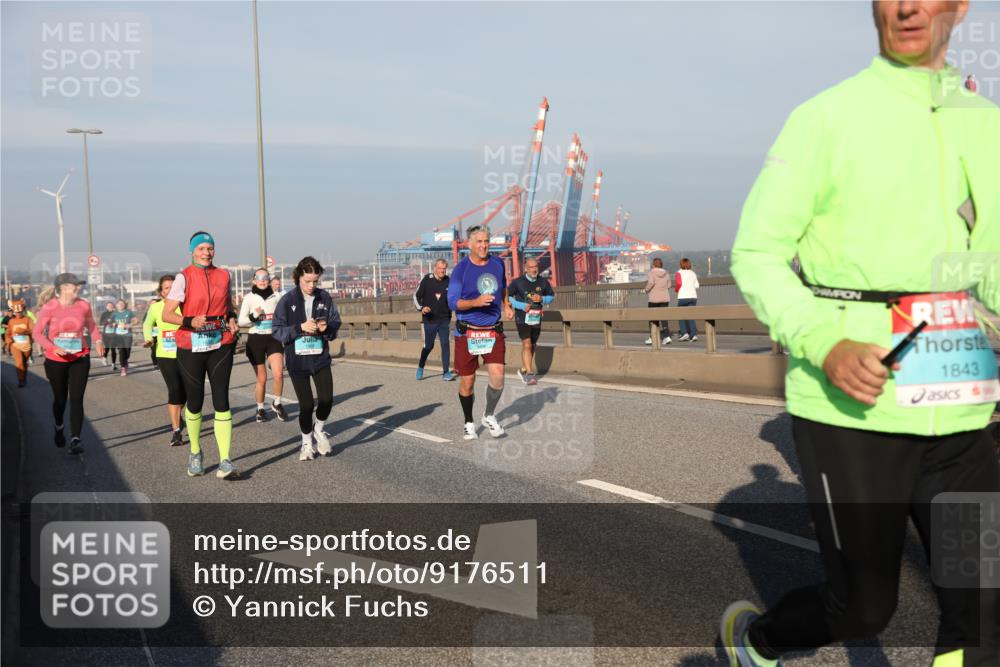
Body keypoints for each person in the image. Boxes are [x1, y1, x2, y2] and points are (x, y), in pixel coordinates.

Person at [723, 2, 1000, 666]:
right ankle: (758, 638)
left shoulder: (984, 123)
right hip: (853, 409)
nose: (906, 7)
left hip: (961, 410)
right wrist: (823, 340)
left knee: (982, 611)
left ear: (958, 8)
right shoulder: (825, 118)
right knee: (866, 607)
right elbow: (755, 252)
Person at [161, 231, 241, 479]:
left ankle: (225, 460)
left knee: (222, 400)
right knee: (194, 402)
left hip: (220, 342)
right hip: (191, 344)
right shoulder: (183, 277)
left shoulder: (223, 275)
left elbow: (227, 305)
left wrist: (232, 319)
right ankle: (195, 452)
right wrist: (188, 320)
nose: (206, 252)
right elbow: (167, 314)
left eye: (210, 248)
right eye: (202, 248)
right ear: (192, 251)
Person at [448, 225, 514, 440]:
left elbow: (503, 287)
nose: (484, 245)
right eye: (480, 242)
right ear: (469, 244)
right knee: (468, 382)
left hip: (492, 329)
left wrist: (506, 305)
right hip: (467, 332)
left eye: (487, 241)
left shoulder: (497, 263)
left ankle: (489, 415)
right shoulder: (461, 270)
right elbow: (452, 302)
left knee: (498, 377)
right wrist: (475, 302)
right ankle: (468, 421)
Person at [272, 256, 341, 461]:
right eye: (307, 281)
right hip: (297, 360)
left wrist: (326, 328)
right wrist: (299, 328)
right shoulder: (287, 301)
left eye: (315, 281)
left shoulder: (325, 298)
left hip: (320, 357)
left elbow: (335, 323)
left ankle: (319, 429)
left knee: (327, 399)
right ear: (298, 278)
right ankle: (305, 443)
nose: (311, 286)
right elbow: (276, 331)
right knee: (306, 406)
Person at [34, 273, 104, 454]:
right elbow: (37, 334)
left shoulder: (83, 305)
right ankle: (59, 426)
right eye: (75, 285)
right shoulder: (50, 307)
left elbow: (92, 326)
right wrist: (52, 348)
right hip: (56, 360)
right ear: (63, 288)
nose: (78, 288)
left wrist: (97, 341)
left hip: (80, 357)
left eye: (79, 285)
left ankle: (75, 438)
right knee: (60, 399)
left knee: (76, 398)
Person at [238, 268, 288, 423]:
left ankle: (277, 403)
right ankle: (260, 409)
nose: (262, 280)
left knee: (279, 373)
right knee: (262, 378)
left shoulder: (276, 296)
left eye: (265, 277)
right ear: (253, 280)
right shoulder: (249, 298)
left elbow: (284, 315)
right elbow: (241, 321)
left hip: (273, 338)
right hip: (256, 340)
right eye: (259, 277)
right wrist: (254, 316)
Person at [143, 275, 186, 446]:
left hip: (186, 353)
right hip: (166, 354)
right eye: (166, 288)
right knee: (174, 389)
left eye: (172, 286)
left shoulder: (185, 306)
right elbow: (147, 324)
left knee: (188, 392)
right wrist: (149, 339)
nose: (169, 290)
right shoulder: (156, 308)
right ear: (161, 293)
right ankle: (176, 430)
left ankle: (178, 413)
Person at [508, 257, 554, 385]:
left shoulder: (543, 282)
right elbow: (508, 297)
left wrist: (542, 299)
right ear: (525, 268)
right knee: (527, 343)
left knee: (532, 345)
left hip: (536, 317)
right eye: (531, 267)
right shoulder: (517, 282)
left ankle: (523, 369)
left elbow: (551, 296)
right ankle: (529, 373)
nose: (534, 270)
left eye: (536, 267)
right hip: (522, 317)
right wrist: (521, 306)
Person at [413, 258, 456, 381]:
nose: (442, 271)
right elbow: (416, 296)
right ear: (435, 268)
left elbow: (454, 298)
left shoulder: (449, 281)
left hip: (444, 319)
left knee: (445, 344)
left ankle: (446, 372)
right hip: (430, 320)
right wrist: (421, 308)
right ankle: (421, 366)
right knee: (428, 346)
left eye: (444, 269)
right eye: (440, 268)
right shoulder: (427, 279)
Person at [4, 300, 33, 387]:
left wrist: (24, 331)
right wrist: (8, 340)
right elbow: (8, 333)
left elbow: (33, 330)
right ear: (13, 312)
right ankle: (20, 381)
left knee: (24, 363)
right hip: (15, 345)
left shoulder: (28, 319)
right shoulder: (11, 321)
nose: (18, 314)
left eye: (20, 312)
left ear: (23, 310)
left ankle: (23, 378)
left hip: (27, 345)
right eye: (16, 312)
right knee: (19, 362)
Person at [644, 257, 672, 345]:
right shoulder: (666, 273)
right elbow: (669, 285)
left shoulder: (651, 272)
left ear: (653, 264)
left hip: (654, 299)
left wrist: (646, 289)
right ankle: (666, 337)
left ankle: (652, 337)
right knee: (664, 317)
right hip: (665, 298)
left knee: (652, 318)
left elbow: (651, 282)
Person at [675, 258, 700, 342]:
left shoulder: (679, 272)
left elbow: (678, 283)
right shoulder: (693, 273)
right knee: (691, 316)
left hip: (683, 296)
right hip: (693, 297)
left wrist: (677, 290)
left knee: (681, 315)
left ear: (681, 264)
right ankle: (693, 334)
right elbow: (697, 286)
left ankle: (684, 333)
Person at [110, 299, 136, 376]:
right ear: (116, 305)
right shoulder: (114, 314)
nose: (120, 305)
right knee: (121, 350)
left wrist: (130, 325)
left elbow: (136, 320)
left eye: (122, 303)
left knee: (127, 351)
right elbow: (110, 322)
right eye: (119, 303)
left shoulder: (129, 312)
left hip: (127, 335)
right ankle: (123, 367)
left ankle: (126, 360)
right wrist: (113, 324)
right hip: (118, 335)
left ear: (125, 305)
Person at [98, 301, 115, 367]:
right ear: (106, 307)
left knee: (113, 348)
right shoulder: (104, 314)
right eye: (109, 306)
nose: (110, 307)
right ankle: (104, 358)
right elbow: (101, 323)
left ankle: (113, 363)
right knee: (107, 347)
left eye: (111, 305)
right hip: (106, 334)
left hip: (114, 333)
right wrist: (107, 321)